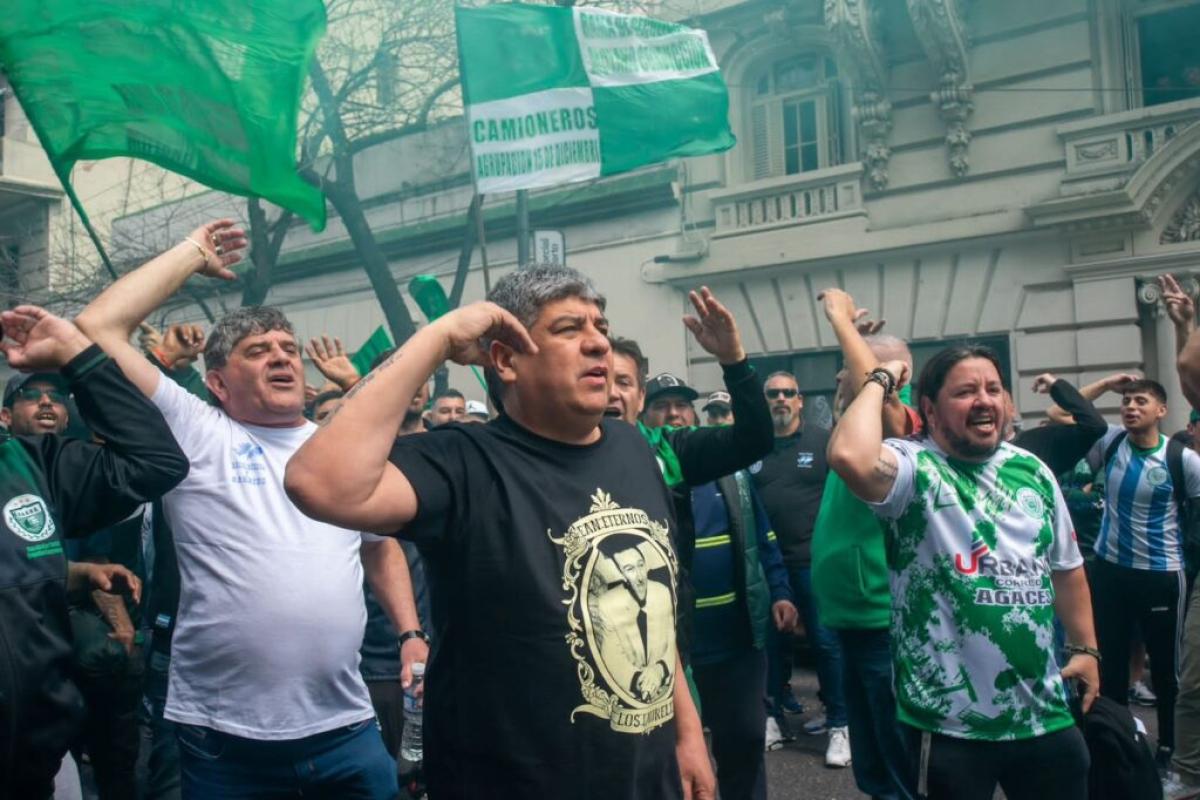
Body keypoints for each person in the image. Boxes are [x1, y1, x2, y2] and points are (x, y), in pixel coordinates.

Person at [285, 266, 716, 799]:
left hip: (646, 778)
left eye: (600, 327)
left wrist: (688, 735)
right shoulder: (462, 463)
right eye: (568, 329)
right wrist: (438, 338)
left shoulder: (634, 448)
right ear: (507, 360)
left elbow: (653, 609)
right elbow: (318, 483)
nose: (598, 344)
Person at [75, 219, 417, 799]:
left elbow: (379, 547)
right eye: (257, 351)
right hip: (223, 739)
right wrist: (189, 255)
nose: (281, 358)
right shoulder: (197, 430)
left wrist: (410, 632)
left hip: (345, 728)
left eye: (287, 348)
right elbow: (98, 326)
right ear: (217, 383)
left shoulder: (337, 447)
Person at [827, 344, 1098, 800]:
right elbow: (849, 456)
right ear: (930, 410)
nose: (984, 400)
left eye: (993, 389)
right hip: (948, 725)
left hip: (1043, 713)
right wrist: (881, 377)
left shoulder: (1031, 469)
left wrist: (1087, 647)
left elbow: (1066, 569)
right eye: (966, 391)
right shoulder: (914, 470)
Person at [0, 304, 189, 798]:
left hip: (29, 758)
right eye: (31, 397)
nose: (45, 405)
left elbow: (157, 462)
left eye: (54, 397)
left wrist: (77, 355)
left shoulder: (28, 464)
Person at [641, 371, 796, 800]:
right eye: (661, 406)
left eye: (681, 405)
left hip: (737, 641)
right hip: (673, 652)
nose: (674, 413)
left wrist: (780, 591)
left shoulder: (731, 468)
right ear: (644, 415)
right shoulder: (639, 474)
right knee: (679, 761)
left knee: (745, 742)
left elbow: (761, 534)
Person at [810, 288, 917, 796]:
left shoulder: (903, 422)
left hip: (884, 622)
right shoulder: (855, 422)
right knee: (871, 759)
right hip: (849, 618)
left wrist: (840, 321)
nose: (842, 379)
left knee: (897, 754)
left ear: (896, 379)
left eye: (854, 371)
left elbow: (885, 405)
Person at [1080, 376, 1200, 770]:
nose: (1131, 406)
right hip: (1110, 574)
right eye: (1127, 401)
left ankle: (1170, 749)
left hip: (1162, 576)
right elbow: (1061, 412)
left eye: (1141, 401)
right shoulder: (1109, 442)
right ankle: (1118, 748)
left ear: (1161, 411)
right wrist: (1108, 383)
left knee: (1167, 673)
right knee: (1109, 668)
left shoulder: (1183, 460)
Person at [752, 369, 848, 764]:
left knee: (827, 645)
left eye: (788, 393)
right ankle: (771, 718)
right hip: (765, 567)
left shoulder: (822, 443)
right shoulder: (751, 446)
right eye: (773, 393)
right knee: (771, 647)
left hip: (814, 563)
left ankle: (840, 725)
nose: (780, 399)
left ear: (800, 400)